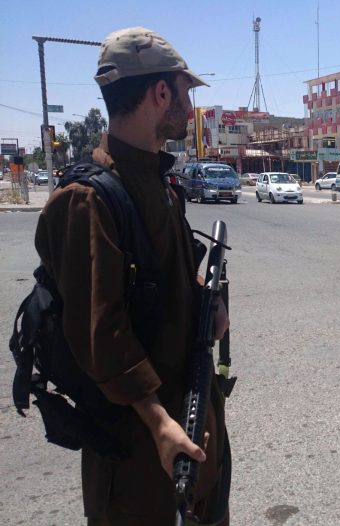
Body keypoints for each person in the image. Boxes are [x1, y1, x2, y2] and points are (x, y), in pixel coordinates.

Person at [34, 27, 231, 525]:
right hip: (141, 458)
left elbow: (162, 278)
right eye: (184, 93)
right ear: (160, 92)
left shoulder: (157, 181)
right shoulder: (89, 199)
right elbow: (102, 334)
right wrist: (160, 423)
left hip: (193, 431)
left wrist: (205, 297)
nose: (188, 106)